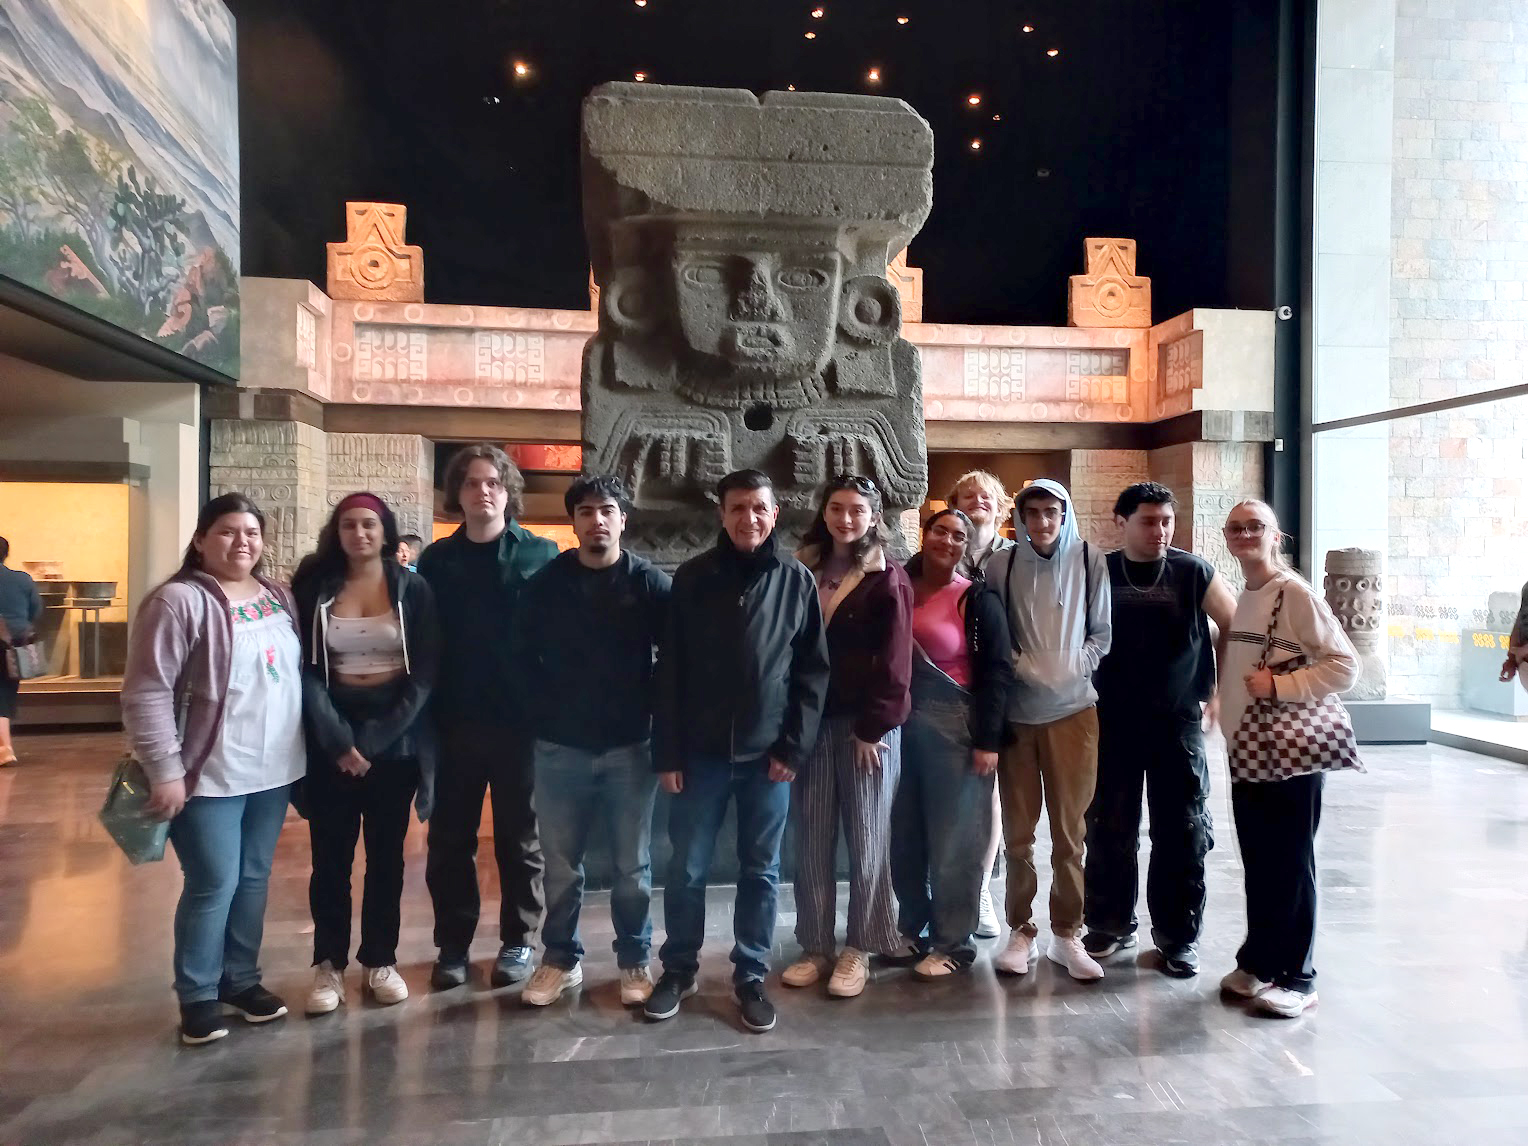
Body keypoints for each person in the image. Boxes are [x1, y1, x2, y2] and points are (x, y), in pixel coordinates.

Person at [644, 469, 829, 1034]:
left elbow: (812, 674)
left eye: (759, 508)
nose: (749, 518)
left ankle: (750, 975)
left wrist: (793, 750)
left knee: (761, 871)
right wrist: (668, 753)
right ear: (721, 515)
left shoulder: (795, 580)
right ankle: (678, 968)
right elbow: (669, 669)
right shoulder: (694, 579)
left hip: (767, 757)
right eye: (738, 508)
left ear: (775, 515)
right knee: (688, 868)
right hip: (698, 756)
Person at [120, 494, 306, 1045]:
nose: (241, 542)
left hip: (273, 769)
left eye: (251, 532)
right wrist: (165, 768)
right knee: (213, 883)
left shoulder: (278, 596)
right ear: (201, 539)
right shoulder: (178, 601)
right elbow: (147, 691)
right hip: (209, 773)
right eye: (227, 531)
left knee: (252, 880)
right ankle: (198, 994)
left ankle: (241, 981)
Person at [512, 475, 671, 1008]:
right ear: (573, 522)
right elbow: (521, 660)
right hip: (560, 750)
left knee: (632, 868)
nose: (596, 520)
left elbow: (676, 662)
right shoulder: (546, 584)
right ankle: (559, 959)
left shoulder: (649, 585)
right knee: (560, 866)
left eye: (606, 510)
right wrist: (542, 717)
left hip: (631, 748)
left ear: (624, 519)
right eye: (585, 512)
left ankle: (634, 959)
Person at [291, 493, 440, 1015]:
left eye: (370, 524)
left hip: (392, 747)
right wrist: (340, 743)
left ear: (387, 531)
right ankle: (328, 965)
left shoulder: (412, 589)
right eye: (349, 524)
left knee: (386, 861)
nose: (360, 533)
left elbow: (423, 676)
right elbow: (306, 671)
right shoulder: (315, 589)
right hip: (332, 746)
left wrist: (372, 743)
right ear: (338, 532)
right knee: (329, 861)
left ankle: (381, 959)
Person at [418, 444, 558, 990]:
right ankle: (452, 946)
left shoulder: (541, 555)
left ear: (508, 491)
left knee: (519, 837)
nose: (483, 491)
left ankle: (520, 941)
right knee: (449, 838)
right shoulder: (436, 561)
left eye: (494, 482)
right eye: (473, 483)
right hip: (455, 722)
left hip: (522, 723)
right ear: (457, 493)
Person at [1083, 483, 1237, 978]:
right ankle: (1108, 924)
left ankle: (1177, 936)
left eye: (1167, 521)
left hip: (1176, 721)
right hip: (1112, 719)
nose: (1160, 531)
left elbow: (1232, 623)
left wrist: (1219, 692)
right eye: (1149, 521)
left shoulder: (1192, 571)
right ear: (1121, 521)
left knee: (1182, 830)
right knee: (1109, 825)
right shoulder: (1100, 571)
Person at [1218, 499, 1358, 1018]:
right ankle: (1259, 961)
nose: (1246, 534)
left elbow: (1345, 666)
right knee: (1259, 860)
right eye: (1237, 528)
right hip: (1250, 748)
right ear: (1228, 538)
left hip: (1292, 751)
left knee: (1293, 862)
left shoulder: (1295, 594)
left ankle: (1299, 977)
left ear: (1277, 537)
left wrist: (1282, 684)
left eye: (1256, 526)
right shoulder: (1249, 593)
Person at [782, 475, 912, 998]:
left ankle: (861, 944)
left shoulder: (888, 577)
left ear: (874, 516)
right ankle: (815, 944)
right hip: (810, 724)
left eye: (858, 510)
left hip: (867, 729)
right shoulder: (800, 568)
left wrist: (874, 725)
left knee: (867, 839)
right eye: (837, 508)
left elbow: (896, 661)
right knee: (811, 840)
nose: (846, 518)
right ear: (824, 512)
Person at [985, 479, 1111, 981]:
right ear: (1019, 517)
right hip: (1019, 714)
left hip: (1075, 711)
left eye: (1051, 512)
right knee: (1018, 833)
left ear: (1065, 514)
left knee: (1070, 832)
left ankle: (1067, 932)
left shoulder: (1089, 560)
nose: (1041, 522)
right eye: (1032, 512)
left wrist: (1077, 664)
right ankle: (1021, 929)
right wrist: (1020, 666)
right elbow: (994, 631)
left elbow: (1101, 631)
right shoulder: (1002, 563)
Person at [890, 508, 1014, 978]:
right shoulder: (895, 584)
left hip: (956, 726)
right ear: (924, 534)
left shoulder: (977, 598)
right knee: (904, 837)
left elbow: (998, 671)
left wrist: (988, 739)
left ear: (967, 545)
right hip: (898, 724)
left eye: (959, 536)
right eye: (940, 530)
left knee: (954, 841)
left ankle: (951, 943)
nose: (948, 540)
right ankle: (911, 927)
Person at [946, 469, 1016, 937]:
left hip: (1000, 685)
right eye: (968, 495)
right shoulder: (941, 551)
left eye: (986, 495)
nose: (978, 500)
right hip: (948, 689)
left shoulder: (1015, 560)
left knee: (990, 790)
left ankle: (982, 892)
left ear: (1001, 505)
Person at [0, 536, 43, 766]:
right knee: (5, 695)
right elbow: (35, 610)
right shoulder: (22, 579)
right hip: (14, 645)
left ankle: (4, 750)